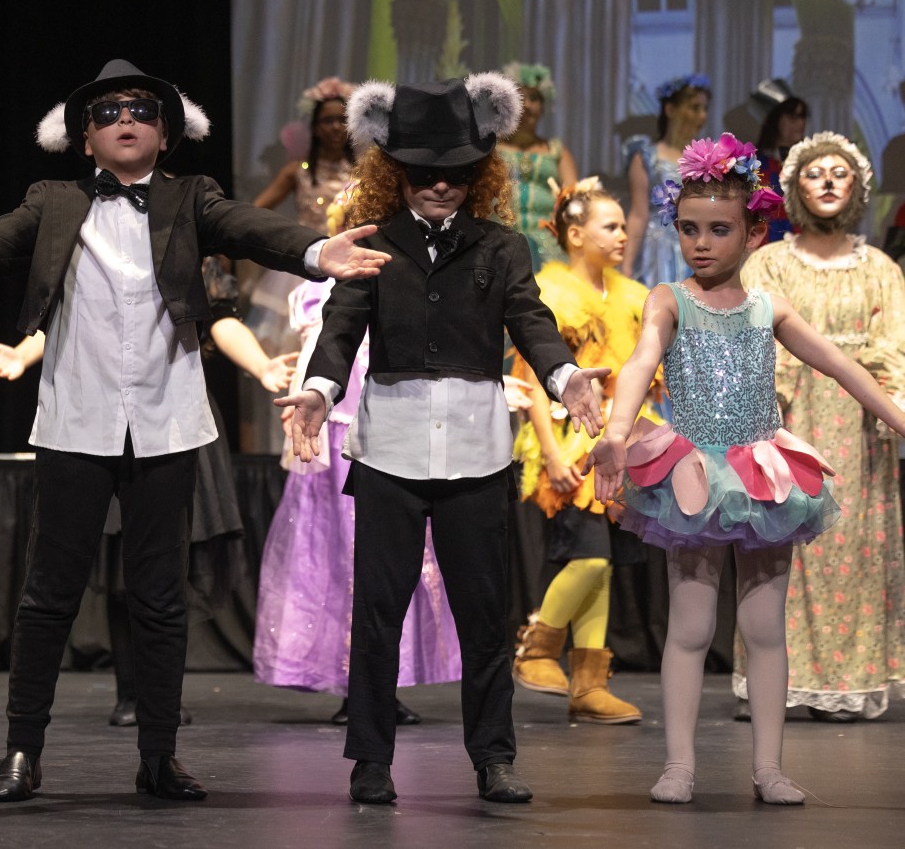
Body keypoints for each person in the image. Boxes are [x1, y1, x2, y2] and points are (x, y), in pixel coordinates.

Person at [0, 59, 389, 803]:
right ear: (85, 140)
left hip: (167, 421)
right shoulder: (54, 201)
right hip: (76, 418)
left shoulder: (192, 197)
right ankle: (22, 750)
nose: (125, 118)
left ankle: (158, 755)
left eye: (141, 109)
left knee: (160, 596)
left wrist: (313, 251)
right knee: (49, 592)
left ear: (165, 134)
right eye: (107, 112)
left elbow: (250, 227)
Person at [279, 73, 609, 805]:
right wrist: (319, 390)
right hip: (390, 453)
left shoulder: (501, 247)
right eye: (425, 172)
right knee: (378, 615)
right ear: (397, 172)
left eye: (455, 174)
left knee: (485, 615)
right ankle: (370, 761)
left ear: (476, 175)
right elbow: (340, 329)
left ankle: (494, 758)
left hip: (473, 454)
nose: (440, 186)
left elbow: (531, 321)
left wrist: (565, 378)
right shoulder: (373, 245)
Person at [587, 133, 905, 804]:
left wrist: (901, 418)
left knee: (764, 630)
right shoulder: (668, 299)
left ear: (755, 232)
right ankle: (679, 765)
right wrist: (616, 431)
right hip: (694, 477)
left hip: (762, 477)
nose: (701, 243)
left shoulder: (769, 308)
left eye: (719, 229)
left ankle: (769, 767)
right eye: (689, 229)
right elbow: (642, 361)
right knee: (691, 627)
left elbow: (843, 367)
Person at [0, 254, 295, 728]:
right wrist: (21, 355)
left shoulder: (192, 252)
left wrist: (263, 365)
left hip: (175, 413)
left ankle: (160, 696)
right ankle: (129, 693)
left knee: (168, 560)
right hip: (104, 412)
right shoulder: (95, 250)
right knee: (119, 558)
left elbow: (221, 320)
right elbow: (65, 320)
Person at [254, 184, 461, 725]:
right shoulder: (319, 290)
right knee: (341, 560)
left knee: (393, 559)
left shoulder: (402, 279)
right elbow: (318, 351)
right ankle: (355, 685)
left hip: (389, 435)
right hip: (335, 443)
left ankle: (381, 682)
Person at [734, 131, 905, 723]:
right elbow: (755, 341)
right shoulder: (769, 263)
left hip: (858, 425)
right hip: (788, 416)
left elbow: (894, 344)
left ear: (857, 187)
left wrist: (888, 397)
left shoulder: (880, 268)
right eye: (814, 172)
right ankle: (775, 680)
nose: (828, 181)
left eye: (840, 172)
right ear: (795, 187)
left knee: (853, 544)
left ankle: (845, 683)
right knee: (781, 542)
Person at [508, 178, 655, 725]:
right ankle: (536, 648)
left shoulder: (628, 296)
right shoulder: (552, 292)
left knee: (604, 564)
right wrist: (550, 454)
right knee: (589, 556)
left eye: (622, 227)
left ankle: (589, 685)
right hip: (569, 442)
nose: (621, 235)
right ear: (575, 235)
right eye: (609, 226)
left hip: (615, 441)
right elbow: (532, 377)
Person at [245, 77, 358, 451]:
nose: (335, 127)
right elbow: (256, 212)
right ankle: (286, 442)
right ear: (315, 126)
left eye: (342, 120)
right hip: (302, 270)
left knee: (343, 353)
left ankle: (338, 439)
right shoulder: (297, 169)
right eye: (327, 120)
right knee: (291, 356)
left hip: (347, 268)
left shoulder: (363, 171)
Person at [624, 74, 711, 287]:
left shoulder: (708, 158)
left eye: (704, 108)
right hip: (658, 252)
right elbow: (638, 214)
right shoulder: (647, 156)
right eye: (694, 108)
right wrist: (626, 266)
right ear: (670, 110)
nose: (702, 116)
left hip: (696, 245)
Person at [495, 62, 577, 270]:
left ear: (542, 106)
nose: (527, 105)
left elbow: (573, 200)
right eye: (520, 98)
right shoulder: (491, 148)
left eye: (534, 98)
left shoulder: (556, 151)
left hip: (548, 247)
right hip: (498, 241)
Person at [749, 79, 807, 244]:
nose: (800, 123)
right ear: (775, 120)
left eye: (802, 116)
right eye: (793, 116)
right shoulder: (753, 165)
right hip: (763, 248)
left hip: (801, 248)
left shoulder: (809, 165)